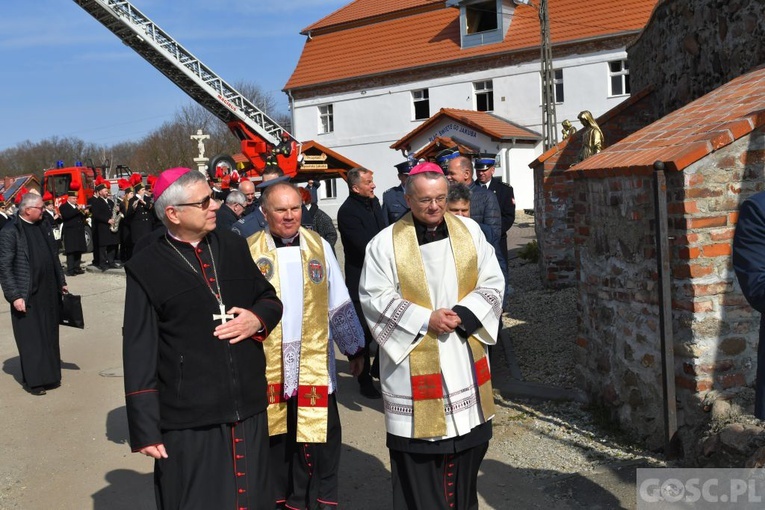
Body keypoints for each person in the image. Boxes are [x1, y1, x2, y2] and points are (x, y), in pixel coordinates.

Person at [122, 167, 283, 510]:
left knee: (254, 498)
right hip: (190, 415)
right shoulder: (146, 265)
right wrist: (145, 428)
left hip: (247, 404)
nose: (216, 205)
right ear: (173, 213)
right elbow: (139, 347)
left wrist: (256, 319)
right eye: (205, 200)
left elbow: (269, 299)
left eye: (214, 197)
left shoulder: (232, 244)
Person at [359, 162, 504, 510]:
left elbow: (493, 281)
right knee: (421, 466)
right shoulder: (384, 244)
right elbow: (374, 298)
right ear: (408, 199)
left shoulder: (470, 231)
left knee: (468, 453)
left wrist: (465, 314)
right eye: (425, 200)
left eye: (440, 198)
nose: (434, 206)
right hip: (414, 364)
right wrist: (426, 319)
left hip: (462, 351)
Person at [248, 182, 365, 510]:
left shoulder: (319, 245)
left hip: (312, 360)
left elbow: (338, 299)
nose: (289, 216)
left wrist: (354, 349)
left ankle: (316, 499)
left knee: (318, 438)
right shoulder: (249, 250)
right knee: (277, 437)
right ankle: (279, 498)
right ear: (264, 213)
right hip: (268, 363)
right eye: (280, 210)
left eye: (295, 208)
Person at [0, 193, 68, 396]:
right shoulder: (10, 231)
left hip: (48, 291)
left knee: (49, 335)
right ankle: (35, 381)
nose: (44, 209)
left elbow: (53, 256)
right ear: (27, 210)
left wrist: (61, 281)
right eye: (40, 207)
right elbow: (4, 267)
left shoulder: (43, 225)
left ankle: (51, 376)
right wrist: (14, 296)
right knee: (31, 339)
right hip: (26, 293)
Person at [337, 166, 387, 399]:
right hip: (361, 278)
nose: (373, 185)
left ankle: (380, 371)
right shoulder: (347, 212)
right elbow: (364, 246)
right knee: (363, 331)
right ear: (356, 187)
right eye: (368, 182)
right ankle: (364, 379)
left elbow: (385, 232)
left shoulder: (374, 202)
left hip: (383, 275)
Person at [474, 153, 515, 305]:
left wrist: (494, 233)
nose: (481, 173)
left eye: (484, 170)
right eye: (478, 170)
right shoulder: (470, 190)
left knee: (499, 273)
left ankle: (500, 303)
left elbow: (508, 216)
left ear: (492, 170)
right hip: (476, 240)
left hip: (497, 240)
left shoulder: (504, 190)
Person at [59, 185, 88, 276]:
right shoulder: (64, 207)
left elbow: (81, 217)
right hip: (70, 232)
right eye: (74, 198)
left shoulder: (76, 207)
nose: (76, 200)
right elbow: (67, 216)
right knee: (71, 251)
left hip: (78, 231)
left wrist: (85, 214)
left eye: (76, 198)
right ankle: (70, 270)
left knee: (78, 250)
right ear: (69, 198)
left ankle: (77, 267)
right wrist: (77, 209)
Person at [90, 182, 120, 271]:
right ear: (99, 192)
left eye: (107, 191)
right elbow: (96, 214)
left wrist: (117, 210)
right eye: (105, 191)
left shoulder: (110, 201)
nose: (107, 192)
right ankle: (102, 263)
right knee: (103, 246)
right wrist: (107, 220)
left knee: (112, 244)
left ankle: (111, 262)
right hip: (103, 226)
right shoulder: (96, 202)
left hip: (112, 226)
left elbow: (113, 211)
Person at [298, 186, 338, 253]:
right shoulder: (299, 214)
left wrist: (321, 250)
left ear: (303, 201)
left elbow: (332, 235)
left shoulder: (320, 216)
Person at [127, 181, 154, 246]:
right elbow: (129, 214)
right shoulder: (132, 200)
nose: (144, 191)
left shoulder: (147, 198)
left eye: (144, 189)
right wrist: (133, 207)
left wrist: (144, 203)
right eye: (142, 190)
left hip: (147, 226)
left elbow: (151, 207)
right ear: (138, 191)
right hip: (138, 228)